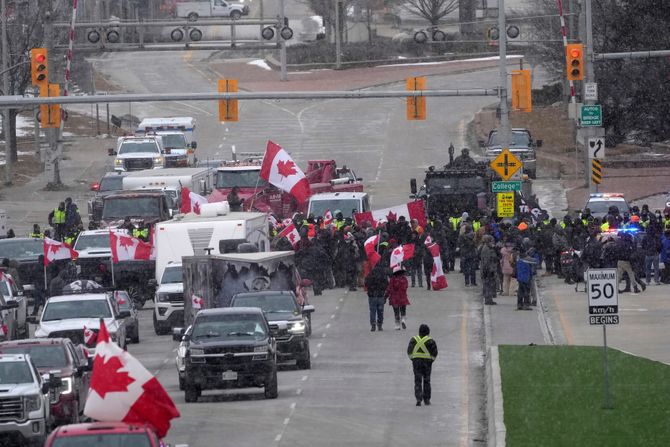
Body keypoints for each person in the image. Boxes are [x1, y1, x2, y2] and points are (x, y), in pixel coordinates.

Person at [407, 323, 438, 406]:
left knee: (417, 380)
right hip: (427, 362)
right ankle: (427, 399)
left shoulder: (413, 339)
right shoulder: (430, 341)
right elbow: (434, 353)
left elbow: (409, 351)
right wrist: (431, 360)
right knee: (427, 380)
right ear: (428, 332)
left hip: (416, 362)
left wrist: (413, 359)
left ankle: (418, 399)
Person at [364, 262, 388, 332]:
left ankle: (373, 324)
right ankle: (380, 324)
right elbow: (386, 284)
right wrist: (382, 290)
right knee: (380, 311)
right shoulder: (383, 274)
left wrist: (371, 289)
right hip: (380, 295)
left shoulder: (371, 273)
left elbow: (366, 283)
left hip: (372, 295)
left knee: (372, 310)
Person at [387, 266, 410, 330]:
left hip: (394, 298)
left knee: (396, 312)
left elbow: (389, 288)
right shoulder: (404, 279)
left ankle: (397, 325)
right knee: (403, 310)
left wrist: (385, 296)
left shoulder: (392, 279)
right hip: (402, 297)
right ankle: (403, 319)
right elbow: (406, 287)